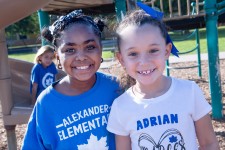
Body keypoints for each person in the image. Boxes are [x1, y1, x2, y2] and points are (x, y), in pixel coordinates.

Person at [107, 3, 219, 150]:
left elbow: (209, 143)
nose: (144, 62)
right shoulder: (120, 106)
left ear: (167, 51)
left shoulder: (190, 92)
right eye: (133, 54)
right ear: (121, 59)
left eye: (153, 50)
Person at [22, 10, 120, 150]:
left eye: (90, 47)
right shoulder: (46, 103)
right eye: (70, 50)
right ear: (57, 57)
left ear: (101, 49)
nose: (81, 57)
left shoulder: (117, 88)